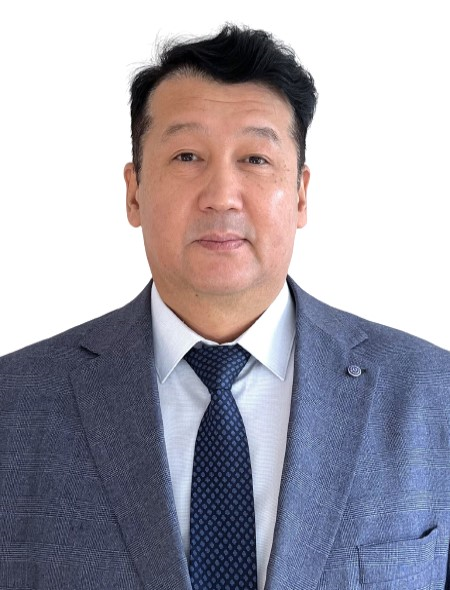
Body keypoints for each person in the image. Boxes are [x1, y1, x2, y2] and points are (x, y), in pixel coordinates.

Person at [1, 23, 449, 590]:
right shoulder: (14, 404)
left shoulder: (434, 395)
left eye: (256, 159)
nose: (220, 196)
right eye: (187, 155)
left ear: (301, 194)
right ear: (134, 191)